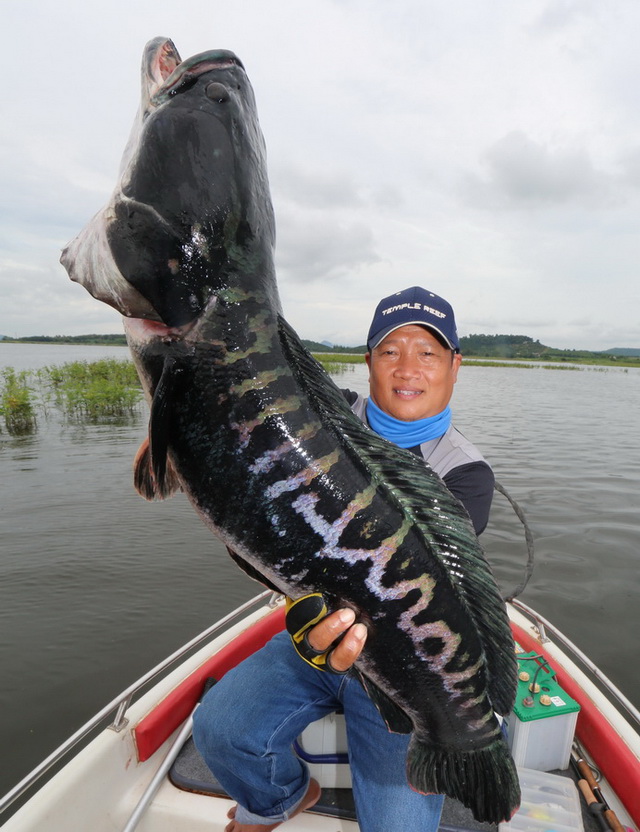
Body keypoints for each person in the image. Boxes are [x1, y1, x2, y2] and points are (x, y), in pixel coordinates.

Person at [192, 286, 495, 832]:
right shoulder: (316, 417)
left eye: (427, 353)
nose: (408, 369)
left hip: (407, 670)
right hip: (315, 639)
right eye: (390, 350)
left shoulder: (465, 472)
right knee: (221, 728)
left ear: (455, 365)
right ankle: (278, 799)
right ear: (368, 361)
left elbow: (415, 592)